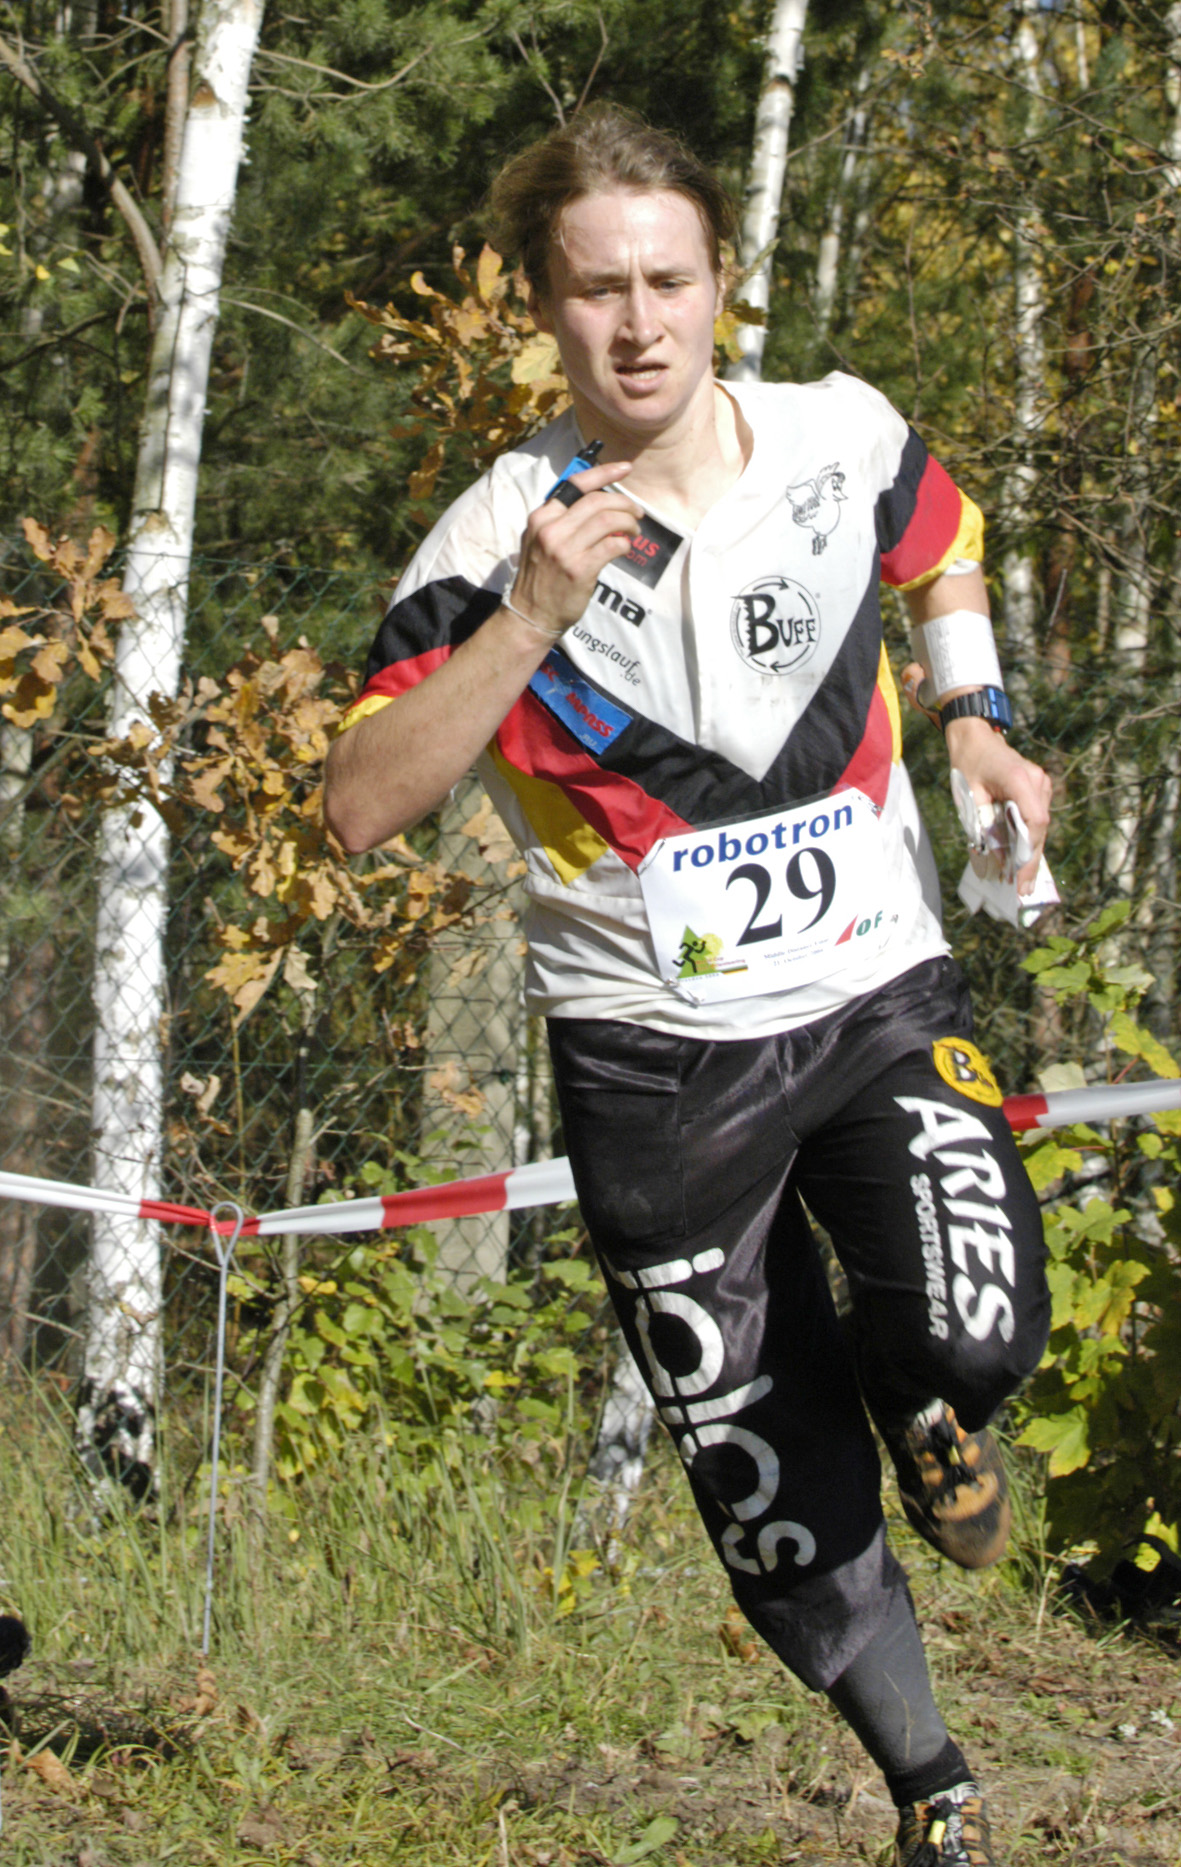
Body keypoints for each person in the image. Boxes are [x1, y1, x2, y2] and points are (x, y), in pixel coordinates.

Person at [324, 105, 1052, 1867]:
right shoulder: (490, 534)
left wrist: (972, 714)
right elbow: (357, 808)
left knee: (974, 1327)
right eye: (596, 291)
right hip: (654, 1066)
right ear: (540, 306)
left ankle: (923, 1396)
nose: (637, 325)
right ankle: (931, 1788)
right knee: (768, 1487)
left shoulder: (837, 433)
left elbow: (937, 535)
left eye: (667, 281)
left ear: (722, 280)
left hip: (871, 994)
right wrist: (521, 620)